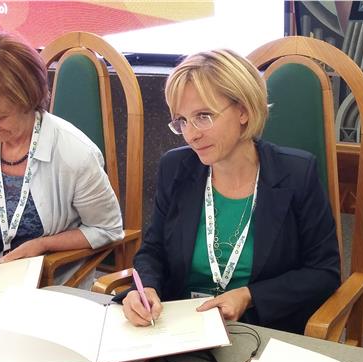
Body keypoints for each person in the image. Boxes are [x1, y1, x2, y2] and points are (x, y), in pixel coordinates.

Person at [117, 49, 340, 334]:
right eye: (182, 121)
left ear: (243, 111)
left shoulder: (296, 173)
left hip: (261, 331)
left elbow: (324, 272)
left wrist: (250, 295)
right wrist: (146, 287)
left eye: (203, 116)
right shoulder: (175, 168)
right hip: (179, 328)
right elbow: (153, 250)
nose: (191, 134)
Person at [0, 32, 123, 279]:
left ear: (28, 99)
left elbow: (107, 229)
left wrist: (43, 245)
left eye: (0, 117)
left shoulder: (75, 153)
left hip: (45, 279)